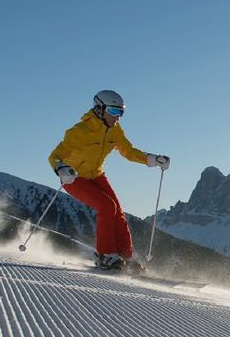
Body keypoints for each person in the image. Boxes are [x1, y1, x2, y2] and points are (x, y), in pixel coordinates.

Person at [48, 90, 171, 271]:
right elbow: (55, 156)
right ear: (99, 109)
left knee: (118, 211)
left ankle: (125, 257)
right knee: (107, 206)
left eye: (121, 112)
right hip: (74, 178)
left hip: (97, 175)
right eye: (113, 112)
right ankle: (104, 255)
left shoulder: (115, 130)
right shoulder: (79, 131)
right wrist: (61, 169)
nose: (117, 117)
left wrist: (153, 159)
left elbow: (128, 151)